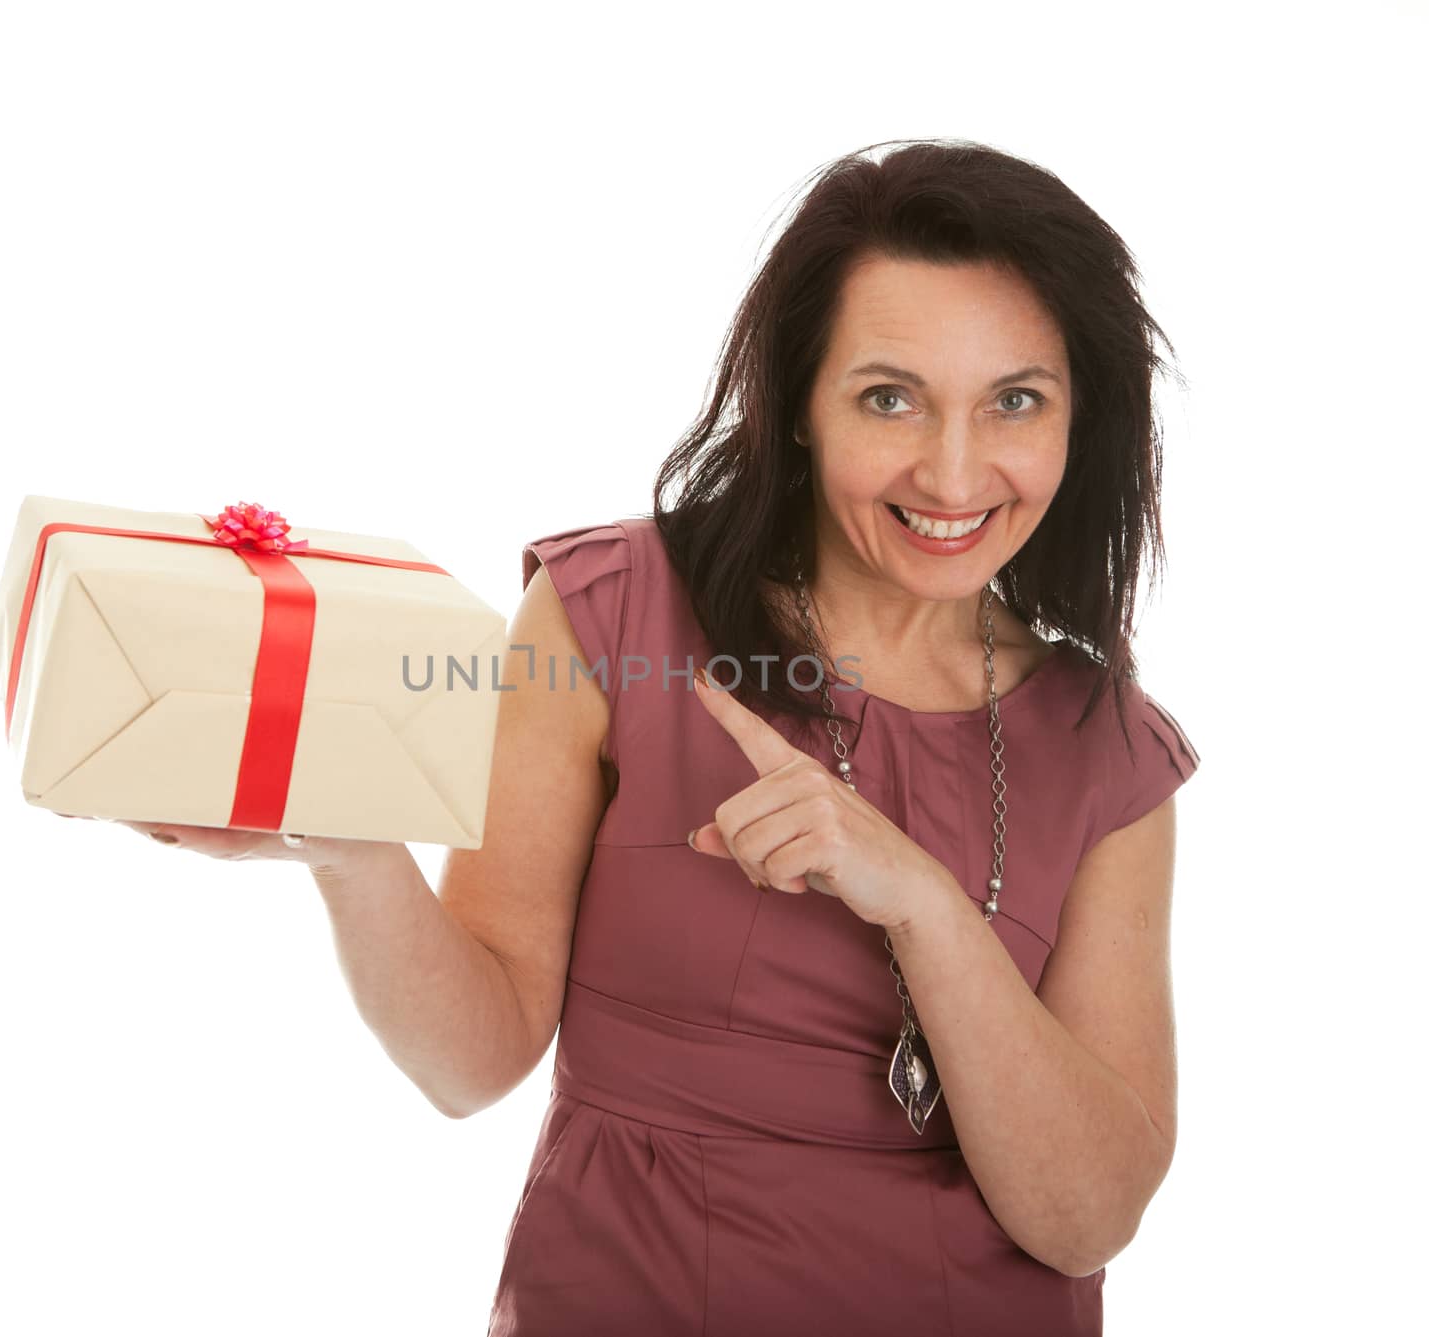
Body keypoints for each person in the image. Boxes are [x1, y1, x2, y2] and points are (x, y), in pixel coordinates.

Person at [118, 137, 1202, 1336]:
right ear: (798, 402)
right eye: (888, 397)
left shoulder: (1108, 749)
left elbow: (1088, 1214)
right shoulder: (610, 614)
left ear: (1078, 418)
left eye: (1015, 400)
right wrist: (355, 854)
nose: (952, 471)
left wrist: (925, 904)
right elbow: (471, 1060)